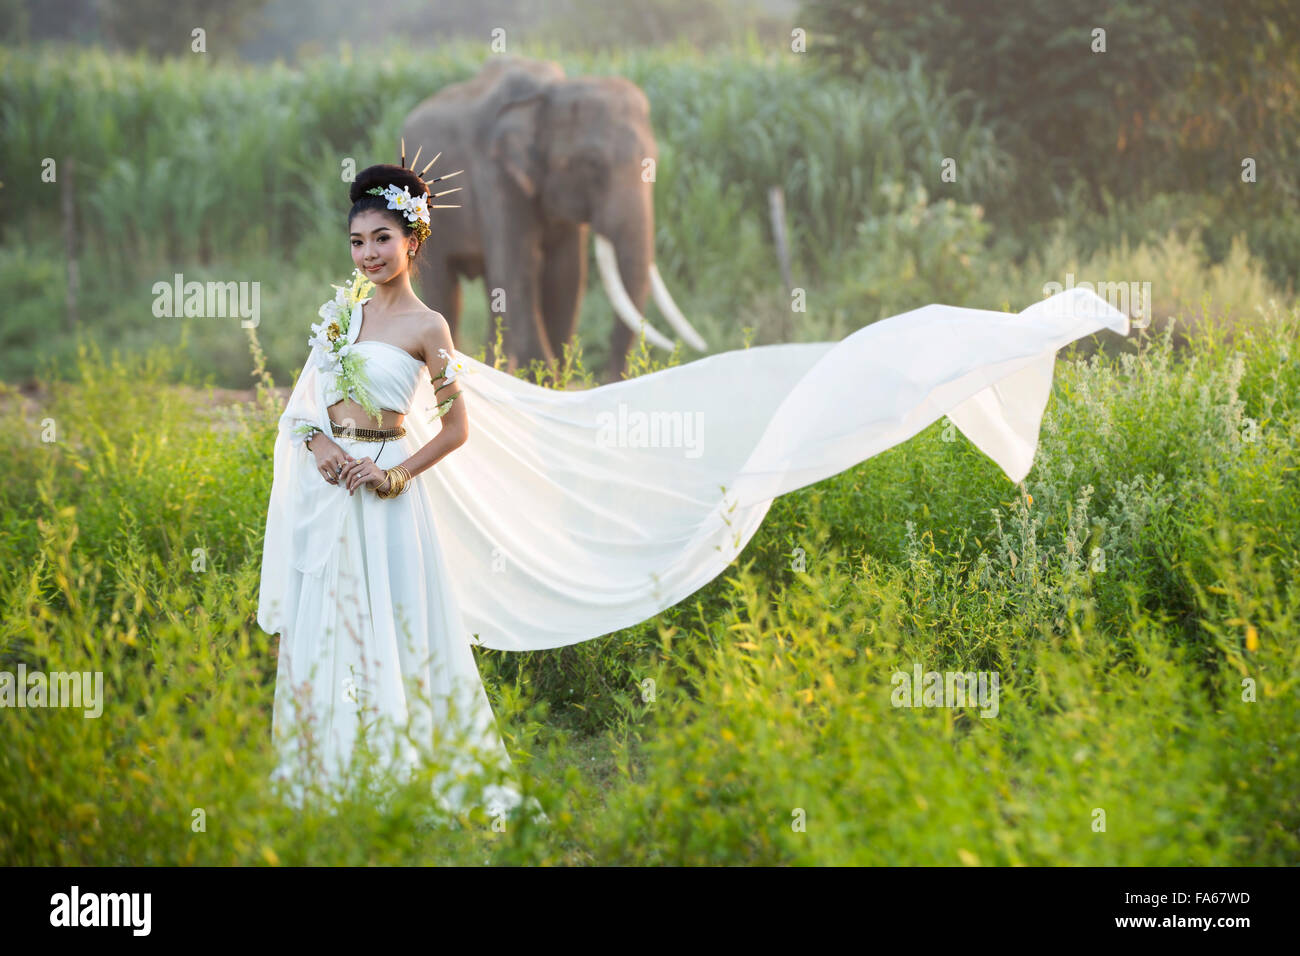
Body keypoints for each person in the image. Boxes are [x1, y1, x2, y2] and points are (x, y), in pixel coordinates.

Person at [257, 146, 1131, 823]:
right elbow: (301, 410)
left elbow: (456, 427)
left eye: (382, 238)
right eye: (357, 241)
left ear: (413, 241)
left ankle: (413, 781)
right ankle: (327, 785)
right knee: (334, 633)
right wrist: (326, 453)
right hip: (338, 495)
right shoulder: (337, 318)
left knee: (401, 637)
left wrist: (394, 472)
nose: (368, 253)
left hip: (389, 500)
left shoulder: (429, 327)